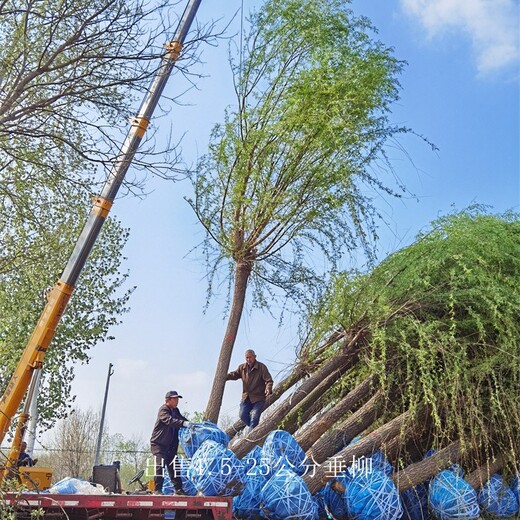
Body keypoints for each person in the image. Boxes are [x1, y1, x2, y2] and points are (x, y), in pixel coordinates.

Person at [150, 390, 191, 495]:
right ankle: (157, 490)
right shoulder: (163, 410)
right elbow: (169, 421)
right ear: (168, 400)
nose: (177, 401)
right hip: (159, 444)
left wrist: (190, 423)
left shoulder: (176, 410)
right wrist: (183, 423)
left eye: (177, 399)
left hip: (171, 446)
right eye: (175, 399)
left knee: (174, 466)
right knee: (160, 465)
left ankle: (178, 489)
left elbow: (181, 419)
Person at [226, 349, 273, 432]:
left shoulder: (261, 367)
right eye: (246, 358)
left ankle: (251, 434)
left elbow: (269, 380)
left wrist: (268, 388)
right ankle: (255, 430)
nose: (248, 360)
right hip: (246, 398)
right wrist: (225, 377)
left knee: (255, 416)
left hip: (258, 398)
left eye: (250, 357)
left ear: (255, 357)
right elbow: (235, 374)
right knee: (242, 415)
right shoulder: (242, 367)